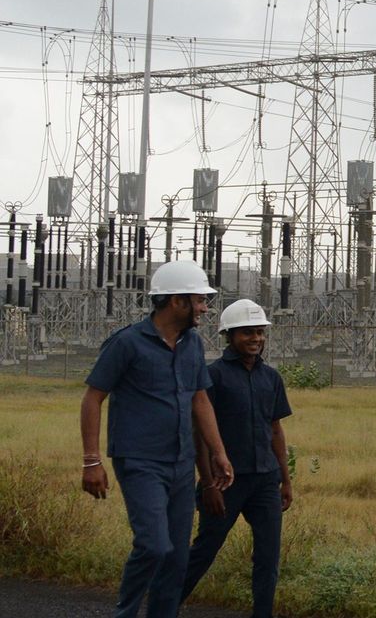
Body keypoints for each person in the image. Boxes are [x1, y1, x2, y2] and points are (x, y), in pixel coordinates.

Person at [81, 259, 234, 618]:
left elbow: (200, 400)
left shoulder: (192, 344)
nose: (205, 308)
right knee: (153, 545)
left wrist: (219, 453)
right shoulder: (127, 343)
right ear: (177, 301)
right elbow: (93, 398)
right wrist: (91, 461)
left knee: (177, 557)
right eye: (199, 300)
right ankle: (125, 612)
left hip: (181, 462)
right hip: (139, 460)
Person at [181, 299, 293, 618]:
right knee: (205, 550)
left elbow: (276, 431)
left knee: (268, 559)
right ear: (229, 335)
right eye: (247, 333)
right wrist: (208, 486)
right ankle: (164, 605)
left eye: (259, 333)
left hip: (265, 482)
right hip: (225, 483)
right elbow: (199, 433)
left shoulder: (271, 378)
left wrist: (285, 480)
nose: (256, 339)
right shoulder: (212, 376)